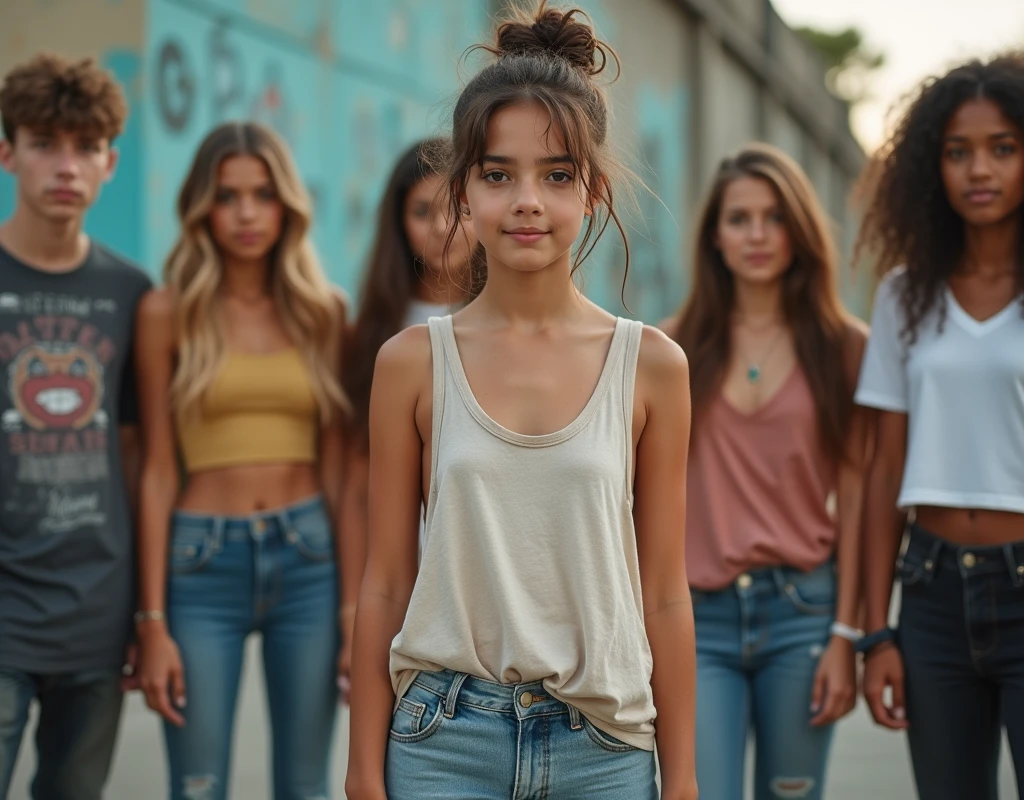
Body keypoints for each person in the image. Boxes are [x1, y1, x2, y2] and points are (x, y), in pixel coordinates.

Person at [345, 4, 697, 800]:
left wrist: (682, 780)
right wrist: (364, 771)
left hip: (604, 746)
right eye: (498, 174)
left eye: (557, 175)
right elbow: (384, 580)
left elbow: (667, 594)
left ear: (594, 193)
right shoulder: (410, 363)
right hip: (443, 740)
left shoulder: (653, 366)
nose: (527, 200)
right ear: (464, 192)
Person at [133, 121, 357, 800]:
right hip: (201, 566)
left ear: (287, 203)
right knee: (198, 786)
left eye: (263, 194)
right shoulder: (166, 313)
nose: (248, 214)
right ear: (203, 207)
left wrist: (353, 613)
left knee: (305, 786)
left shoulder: (326, 312)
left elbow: (342, 476)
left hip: (309, 561)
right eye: (228, 197)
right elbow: (156, 470)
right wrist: (152, 623)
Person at [662, 143, 869, 800]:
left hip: (804, 614)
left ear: (799, 233)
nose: (756, 235)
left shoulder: (846, 348)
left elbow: (861, 498)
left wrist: (848, 633)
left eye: (774, 218)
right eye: (739, 218)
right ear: (714, 237)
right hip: (699, 619)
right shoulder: (670, 349)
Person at [857, 52, 1024, 800]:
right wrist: (875, 631)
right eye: (958, 152)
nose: (977, 170)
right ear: (934, 166)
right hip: (929, 596)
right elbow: (881, 472)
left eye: (1002, 148)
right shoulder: (904, 296)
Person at [0, 53, 151, 800]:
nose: (67, 166)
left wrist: (143, 613)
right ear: (7, 153)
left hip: (95, 611)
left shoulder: (131, 291)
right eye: (44, 144)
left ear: (111, 162)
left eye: (86, 147)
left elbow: (135, 452)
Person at [342, 138, 479, 574]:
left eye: (459, 209)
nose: (442, 226)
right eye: (422, 211)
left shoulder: (510, 326)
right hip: (401, 574)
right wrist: (350, 606)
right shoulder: (371, 336)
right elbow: (357, 481)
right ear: (398, 222)